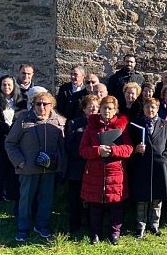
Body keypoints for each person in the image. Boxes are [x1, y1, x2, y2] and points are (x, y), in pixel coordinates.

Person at [5, 91, 67, 242]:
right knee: (26, 199)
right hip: (28, 167)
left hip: (50, 168)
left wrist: (61, 166)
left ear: (52, 105)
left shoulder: (59, 121)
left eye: (45, 104)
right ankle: (23, 227)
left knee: (46, 198)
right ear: (33, 104)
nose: (42, 107)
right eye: (38, 103)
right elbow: (10, 143)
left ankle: (42, 225)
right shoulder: (23, 119)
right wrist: (20, 161)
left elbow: (63, 147)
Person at [79, 95, 133, 245]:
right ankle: (95, 233)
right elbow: (83, 150)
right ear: (100, 109)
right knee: (95, 205)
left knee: (116, 205)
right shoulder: (91, 127)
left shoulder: (122, 128)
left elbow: (128, 149)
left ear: (115, 110)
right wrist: (97, 151)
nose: (107, 111)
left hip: (115, 172)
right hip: (95, 173)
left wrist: (113, 151)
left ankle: (115, 233)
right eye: (104, 108)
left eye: (110, 108)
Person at [129, 98, 167, 238]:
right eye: (148, 107)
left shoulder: (165, 124)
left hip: (160, 166)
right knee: (142, 198)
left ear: (157, 109)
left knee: (157, 198)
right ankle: (140, 226)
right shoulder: (136, 125)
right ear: (144, 109)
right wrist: (135, 149)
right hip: (141, 165)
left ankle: (154, 225)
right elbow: (128, 143)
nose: (150, 110)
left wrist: (166, 156)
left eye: (153, 107)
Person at [65, 94, 100, 233]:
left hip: (94, 167)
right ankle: (75, 224)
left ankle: (92, 223)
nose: (93, 109)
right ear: (84, 108)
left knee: (93, 198)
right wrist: (84, 152)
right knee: (75, 198)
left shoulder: (101, 123)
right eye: (90, 106)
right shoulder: (74, 123)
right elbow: (68, 144)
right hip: (77, 166)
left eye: (96, 106)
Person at [0, 75, 27, 206]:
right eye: (4, 85)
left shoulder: (21, 101)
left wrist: (14, 132)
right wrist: (9, 130)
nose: (6, 87)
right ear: (0, 86)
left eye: (9, 85)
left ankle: (11, 194)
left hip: (16, 141)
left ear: (14, 86)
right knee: (0, 168)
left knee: (14, 168)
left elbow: (23, 117)